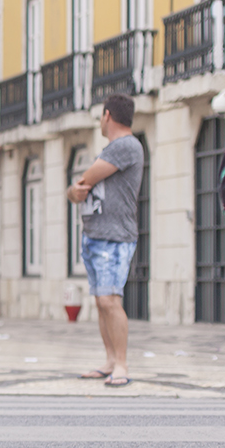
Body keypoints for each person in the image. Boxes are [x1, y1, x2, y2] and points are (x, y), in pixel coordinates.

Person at [68, 94, 145, 388]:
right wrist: (74, 191)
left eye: (101, 116)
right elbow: (77, 190)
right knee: (101, 302)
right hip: (96, 235)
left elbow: (84, 182)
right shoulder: (115, 148)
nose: (100, 121)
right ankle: (110, 360)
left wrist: (75, 189)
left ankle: (122, 364)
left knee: (110, 301)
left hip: (115, 236)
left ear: (108, 115)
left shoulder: (126, 146)